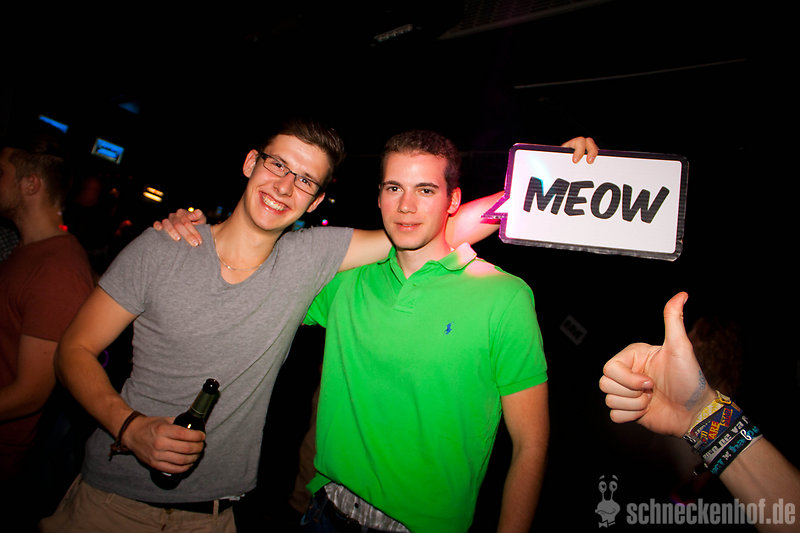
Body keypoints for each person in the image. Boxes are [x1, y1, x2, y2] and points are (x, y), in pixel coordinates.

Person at [45, 119, 592, 532]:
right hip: (110, 503)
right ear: (250, 163)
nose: (285, 186)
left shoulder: (313, 261)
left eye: (305, 180)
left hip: (216, 515)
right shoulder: (167, 247)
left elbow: (433, 229)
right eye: (277, 165)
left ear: (318, 199)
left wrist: (544, 182)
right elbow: (73, 350)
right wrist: (129, 427)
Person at [295, 130, 548, 533]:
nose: (406, 206)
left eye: (425, 190)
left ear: (453, 200)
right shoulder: (345, 283)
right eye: (394, 188)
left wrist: (554, 172)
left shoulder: (504, 297)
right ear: (379, 196)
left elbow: (530, 446)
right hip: (326, 511)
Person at [599, 291, 800, 533]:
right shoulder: (706, 399)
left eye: (694, 334)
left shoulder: (720, 400)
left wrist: (681, 500)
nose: (687, 339)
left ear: (705, 341)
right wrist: (698, 414)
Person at [0, 127, 94, 525]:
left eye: (2, 173)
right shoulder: (24, 250)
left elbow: (31, 393)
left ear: (30, 184)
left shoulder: (57, 268)